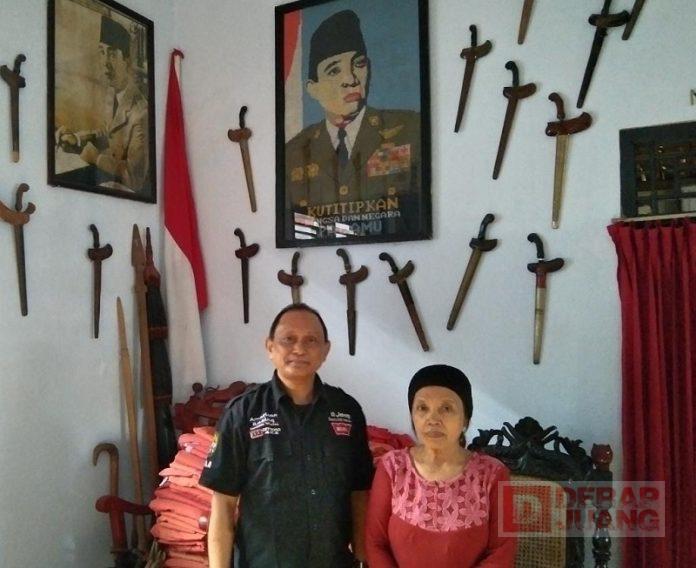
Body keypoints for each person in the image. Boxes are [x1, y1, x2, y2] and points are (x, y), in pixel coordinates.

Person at [200, 303, 374, 568]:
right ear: (270, 347)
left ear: (325, 351)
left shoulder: (347, 411)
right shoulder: (243, 413)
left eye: (311, 340)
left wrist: (363, 559)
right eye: (288, 339)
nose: (299, 349)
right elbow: (223, 505)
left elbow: (359, 493)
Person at [284, 9, 421, 240]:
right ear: (313, 89)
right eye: (334, 70)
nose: (351, 79)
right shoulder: (293, 153)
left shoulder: (409, 130)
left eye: (358, 64)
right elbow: (294, 228)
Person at [366, 364, 516, 567]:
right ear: (412, 416)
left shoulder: (493, 474)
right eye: (422, 408)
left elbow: (502, 552)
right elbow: (375, 543)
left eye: (446, 408)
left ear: (465, 420)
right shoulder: (392, 467)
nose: (433, 419)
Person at [55, 16, 149, 193]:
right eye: (102, 52)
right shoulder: (113, 92)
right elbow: (110, 133)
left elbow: (134, 178)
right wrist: (78, 139)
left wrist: (97, 158)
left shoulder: (142, 112)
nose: (105, 63)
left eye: (112, 54)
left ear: (127, 61)